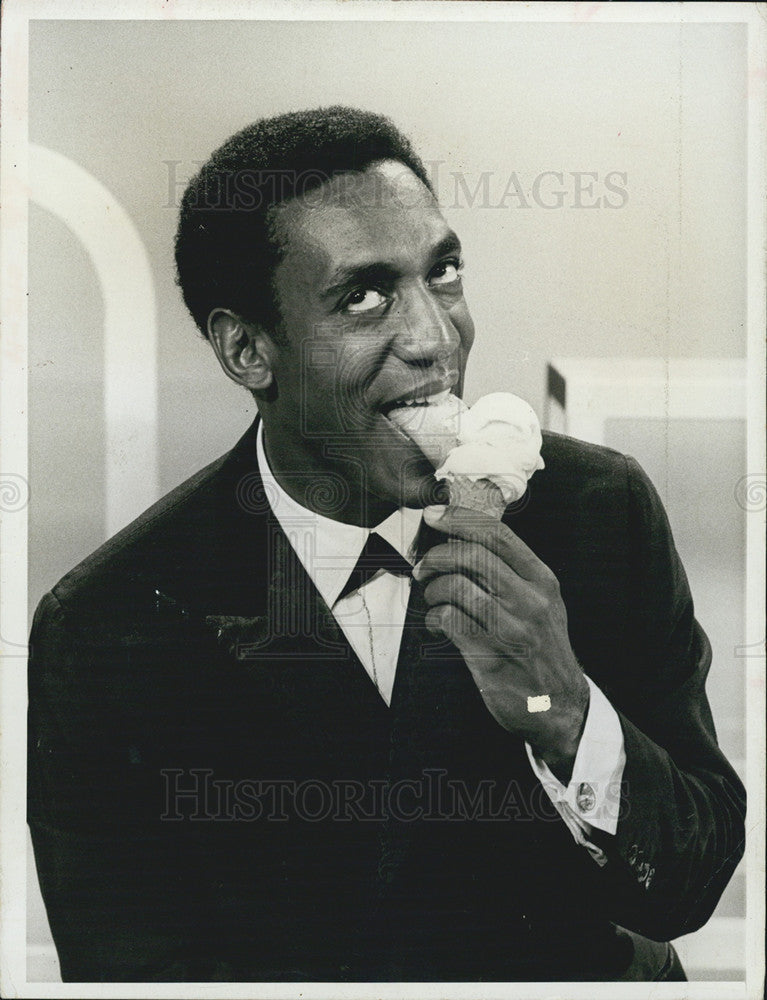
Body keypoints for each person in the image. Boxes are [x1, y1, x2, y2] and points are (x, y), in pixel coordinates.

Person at [28, 106, 745, 983]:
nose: (436, 339)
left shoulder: (596, 511)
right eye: (363, 296)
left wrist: (564, 712)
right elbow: (132, 970)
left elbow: (687, 885)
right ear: (248, 349)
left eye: (441, 274)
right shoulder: (108, 628)